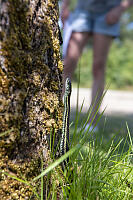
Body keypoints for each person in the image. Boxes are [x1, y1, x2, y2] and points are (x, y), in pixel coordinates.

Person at [61, 0, 133, 131]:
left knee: (98, 67)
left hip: (108, 10)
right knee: (68, 63)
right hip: (83, 9)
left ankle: (92, 123)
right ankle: (59, 115)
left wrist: (121, 8)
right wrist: (65, 5)